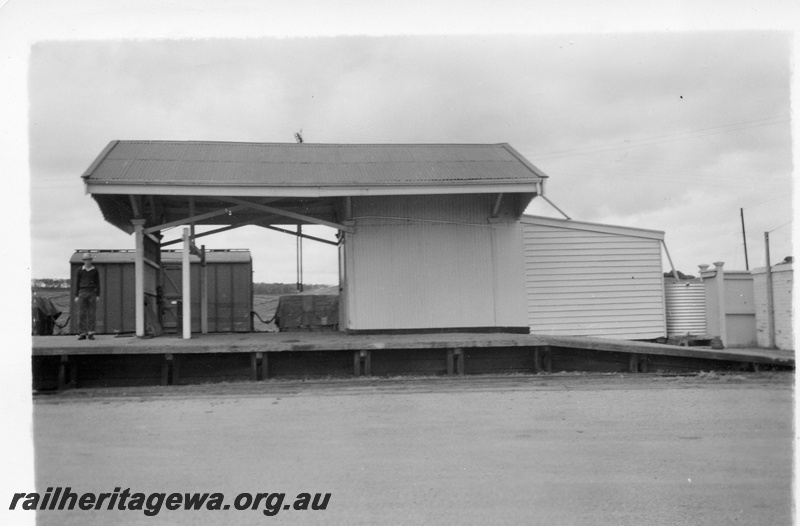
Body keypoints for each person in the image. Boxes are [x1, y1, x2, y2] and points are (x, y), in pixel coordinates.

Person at [73, 252, 101, 340]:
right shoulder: (79, 270)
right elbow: (77, 282)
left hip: (92, 292)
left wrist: (98, 295)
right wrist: (76, 295)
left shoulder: (95, 270)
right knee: (82, 313)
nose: (88, 261)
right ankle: (82, 333)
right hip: (82, 292)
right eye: (86, 260)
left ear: (91, 260)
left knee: (92, 313)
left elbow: (98, 283)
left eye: (89, 260)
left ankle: (91, 333)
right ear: (83, 261)